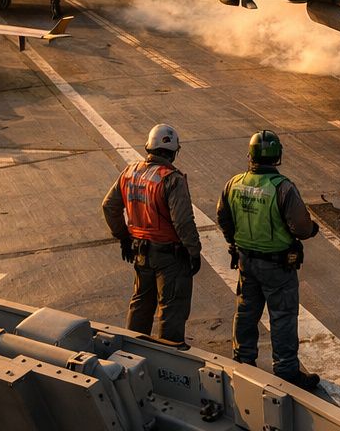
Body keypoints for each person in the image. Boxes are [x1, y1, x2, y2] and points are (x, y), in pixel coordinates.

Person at [217, 130, 321, 391]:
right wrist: (312, 230)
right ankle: (286, 371)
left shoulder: (234, 183)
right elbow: (301, 228)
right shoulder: (283, 187)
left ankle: (243, 360)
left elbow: (223, 217)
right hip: (277, 265)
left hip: (246, 261)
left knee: (246, 311)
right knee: (282, 316)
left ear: (250, 155)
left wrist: (234, 242)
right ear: (277, 156)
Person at [102, 124, 201, 346]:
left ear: (149, 147)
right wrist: (194, 251)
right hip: (170, 256)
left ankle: (132, 351)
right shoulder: (172, 179)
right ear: (173, 152)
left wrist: (124, 237)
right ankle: (168, 357)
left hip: (141, 252)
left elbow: (109, 206)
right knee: (172, 309)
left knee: (141, 305)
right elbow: (183, 221)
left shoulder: (130, 172)